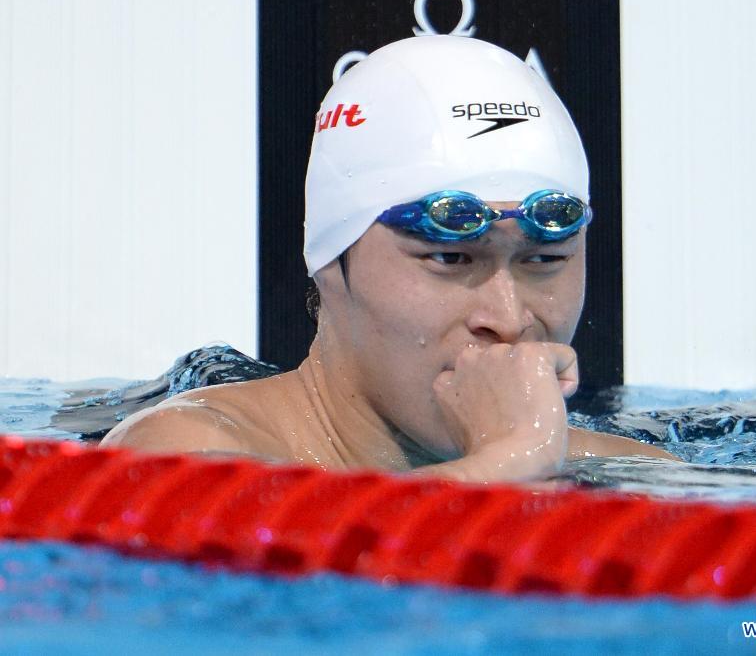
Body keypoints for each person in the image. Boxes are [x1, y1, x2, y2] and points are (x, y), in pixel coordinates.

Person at [101, 35, 676, 481]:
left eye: (545, 259)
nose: (507, 319)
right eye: (450, 259)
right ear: (331, 263)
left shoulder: (635, 475)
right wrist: (511, 461)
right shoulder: (184, 448)